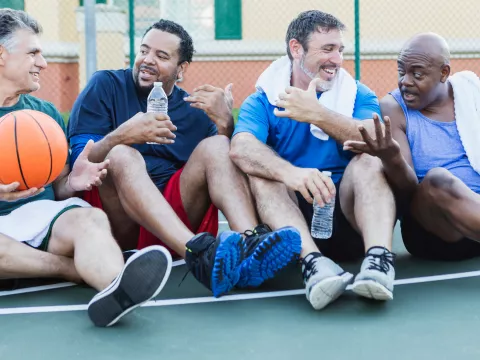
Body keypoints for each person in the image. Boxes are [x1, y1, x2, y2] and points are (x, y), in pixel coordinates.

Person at [67, 19, 301, 299]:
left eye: (161, 56)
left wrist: (225, 123)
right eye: (144, 51)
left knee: (217, 146)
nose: (147, 60)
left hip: (170, 219)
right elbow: (81, 163)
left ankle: (250, 246)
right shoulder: (105, 85)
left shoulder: (193, 112)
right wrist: (121, 136)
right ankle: (199, 252)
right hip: (117, 221)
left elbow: (225, 169)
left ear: (182, 69)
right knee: (121, 154)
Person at [0, 9, 172, 327]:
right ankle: (70, 269)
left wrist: (73, 182)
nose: (44, 63)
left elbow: (58, 187)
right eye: (33, 53)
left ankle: (117, 287)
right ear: (2, 56)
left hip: (37, 217)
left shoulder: (45, 114)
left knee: (88, 218)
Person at [229, 10, 398, 310]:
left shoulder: (357, 93)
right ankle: (314, 266)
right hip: (294, 221)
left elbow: (376, 136)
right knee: (263, 174)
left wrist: (317, 114)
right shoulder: (264, 99)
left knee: (370, 160)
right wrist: (292, 173)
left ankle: (379, 261)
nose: (337, 59)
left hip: (347, 215)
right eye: (327, 49)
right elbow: (241, 148)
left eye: (340, 50)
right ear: (297, 49)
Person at [344, 32, 480, 261]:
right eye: (401, 71)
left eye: (417, 74)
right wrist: (392, 158)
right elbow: (408, 189)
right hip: (436, 229)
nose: (405, 81)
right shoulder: (393, 109)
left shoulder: (470, 95)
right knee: (438, 180)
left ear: (443, 73)